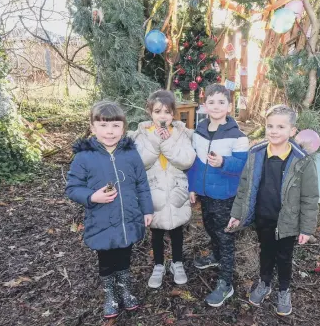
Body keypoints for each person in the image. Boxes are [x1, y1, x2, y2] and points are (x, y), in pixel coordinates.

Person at [227, 104, 319, 316]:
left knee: (284, 256)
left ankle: (284, 290)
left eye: (280, 126)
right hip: (263, 217)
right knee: (266, 251)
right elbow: (244, 186)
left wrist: (306, 228)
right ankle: (264, 282)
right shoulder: (256, 153)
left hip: (286, 221)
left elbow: (310, 197)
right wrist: (237, 214)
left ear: (292, 131)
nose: (274, 131)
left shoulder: (302, 160)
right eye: (270, 126)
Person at [66, 100, 153, 319]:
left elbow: (142, 184)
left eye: (115, 126)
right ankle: (110, 294)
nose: (110, 131)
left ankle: (125, 288)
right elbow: (73, 187)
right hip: (102, 219)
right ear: (93, 128)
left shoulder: (130, 154)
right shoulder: (84, 157)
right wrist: (91, 196)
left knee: (125, 254)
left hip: (128, 217)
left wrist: (147, 210)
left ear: (123, 128)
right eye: (103, 126)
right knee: (106, 258)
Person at [187, 84, 249, 307]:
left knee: (225, 236)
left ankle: (226, 282)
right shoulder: (199, 131)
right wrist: (192, 187)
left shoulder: (238, 137)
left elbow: (243, 166)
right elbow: (194, 163)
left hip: (224, 195)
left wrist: (224, 162)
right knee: (210, 227)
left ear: (229, 107)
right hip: (205, 193)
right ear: (204, 105)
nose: (216, 106)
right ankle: (215, 256)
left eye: (221, 102)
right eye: (211, 102)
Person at [129, 90, 196, 289]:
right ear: (150, 112)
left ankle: (177, 263)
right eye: (158, 111)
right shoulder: (141, 135)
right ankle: (158, 265)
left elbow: (187, 160)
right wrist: (157, 140)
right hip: (154, 192)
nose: (163, 116)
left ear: (173, 114)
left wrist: (167, 142)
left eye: (167, 112)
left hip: (176, 191)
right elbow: (140, 163)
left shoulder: (181, 133)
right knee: (156, 232)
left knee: (177, 231)